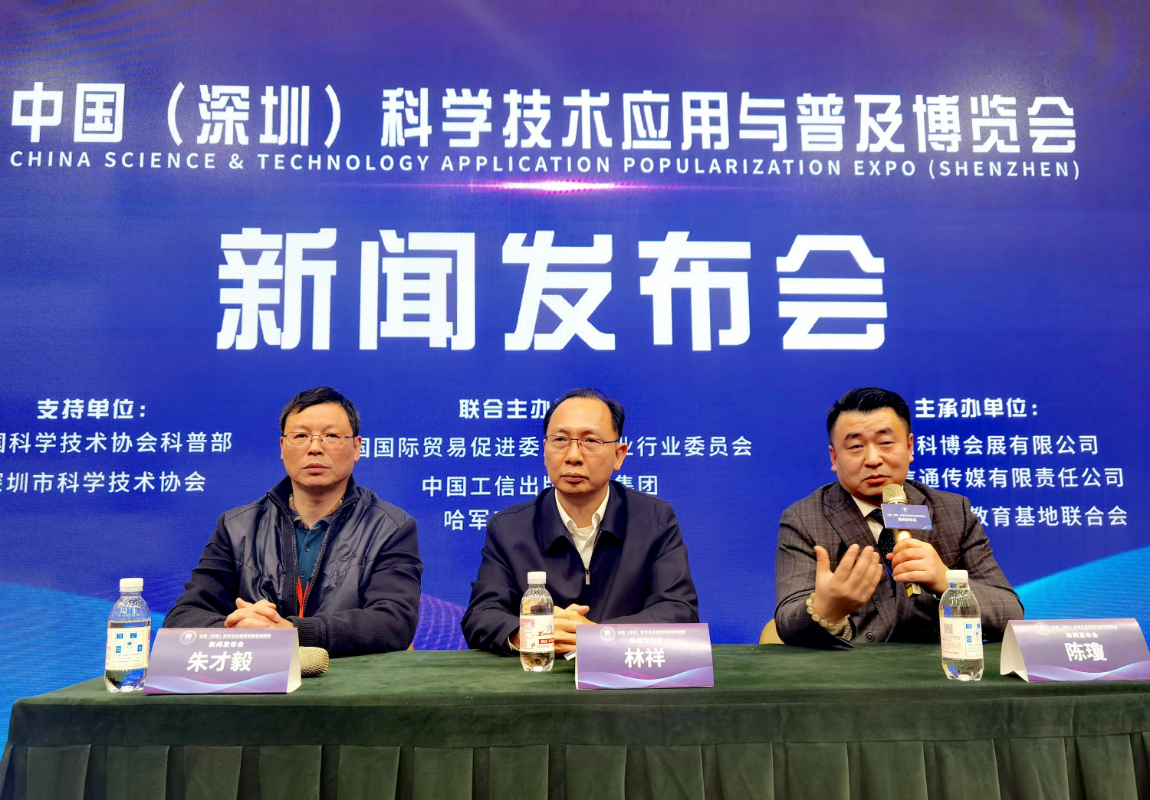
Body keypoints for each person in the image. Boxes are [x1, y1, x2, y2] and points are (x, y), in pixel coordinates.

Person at [164, 387, 423, 656]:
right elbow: (184, 616)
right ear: (282, 447)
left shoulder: (391, 527)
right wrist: (242, 631)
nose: (315, 448)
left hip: (353, 680)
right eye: (300, 436)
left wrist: (293, 633)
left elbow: (394, 622)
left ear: (356, 447)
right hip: (258, 676)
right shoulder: (236, 527)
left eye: (331, 436)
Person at [774, 387, 1022, 647]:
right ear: (834, 457)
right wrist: (826, 610)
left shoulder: (953, 511)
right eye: (856, 446)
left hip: (941, 665)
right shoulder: (805, 518)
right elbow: (787, 622)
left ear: (909, 446)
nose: (873, 459)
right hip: (852, 667)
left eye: (885, 443)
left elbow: (1010, 612)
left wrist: (948, 582)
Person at [462, 388, 699, 655]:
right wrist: (530, 633)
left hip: (623, 674)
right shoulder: (509, 528)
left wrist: (599, 636)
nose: (573, 456)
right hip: (541, 674)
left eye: (590, 441)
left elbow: (679, 610)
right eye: (560, 440)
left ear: (619, 455)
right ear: (544, 450)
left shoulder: (654, 519)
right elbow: (482, 615)